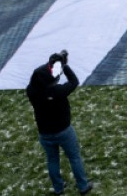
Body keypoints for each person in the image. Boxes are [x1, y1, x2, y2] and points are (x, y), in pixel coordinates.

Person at [26, 51, 93, 195]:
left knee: (52, 160)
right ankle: (83, 186)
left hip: (44, 133)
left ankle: (58, 188)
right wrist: (63, 65)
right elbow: (74, 81)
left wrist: (52, 65)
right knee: (74, 157)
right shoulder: (57, 91)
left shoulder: (31, 91)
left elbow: (39, 76)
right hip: (64, 131)